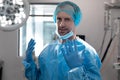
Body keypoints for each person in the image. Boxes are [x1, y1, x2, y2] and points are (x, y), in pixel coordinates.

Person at [22, 1, 102, 80]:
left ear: (76, 21)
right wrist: (30, 64)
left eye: (67, 19)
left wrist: (76, 69)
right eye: (59, 19)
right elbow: (37, 78)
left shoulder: (87, 51)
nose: (61, 24)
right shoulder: (46, 51)